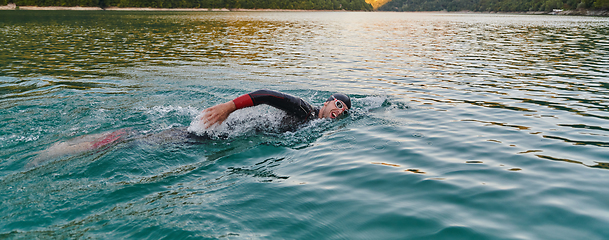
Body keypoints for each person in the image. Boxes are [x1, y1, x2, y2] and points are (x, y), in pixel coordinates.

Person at [28, 90, 351, 168]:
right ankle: (91, 144)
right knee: (145, 143)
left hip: (233, 139)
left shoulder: (316, 127)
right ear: (326, 101)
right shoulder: (302, 108)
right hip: (220, 131)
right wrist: (228, 107)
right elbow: (267, 95)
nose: (339, 112)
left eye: (345, 111)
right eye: (337, 104)